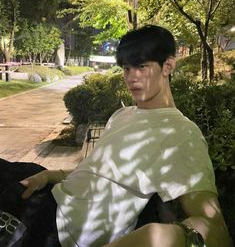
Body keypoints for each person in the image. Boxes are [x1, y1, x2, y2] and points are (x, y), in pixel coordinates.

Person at [0, 25, 232, 247]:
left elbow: (215, 228)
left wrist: (159, 236)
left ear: (168, 65)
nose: (131, 77)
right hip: (47, 188)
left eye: (141, 67)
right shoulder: (122, 114)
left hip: (58, 226)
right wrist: (52, 174)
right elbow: (98, 170)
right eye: (126, 68)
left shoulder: (181, 133)